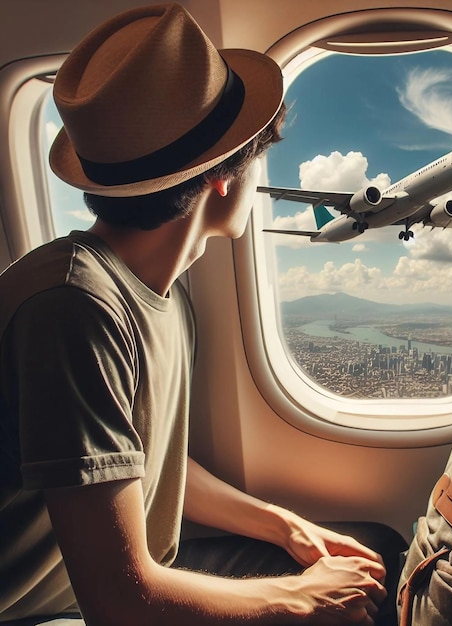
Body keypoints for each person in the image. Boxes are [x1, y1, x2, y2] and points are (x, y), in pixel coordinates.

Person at [0, 4, 407, 625]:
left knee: (377, 553)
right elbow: (120, 602)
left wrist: (284, 525)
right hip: (52, 609)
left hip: (138, 574)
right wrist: (302, 598)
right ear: (223, 177)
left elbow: (140, 462)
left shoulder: (153, 290)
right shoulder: (74, 309)